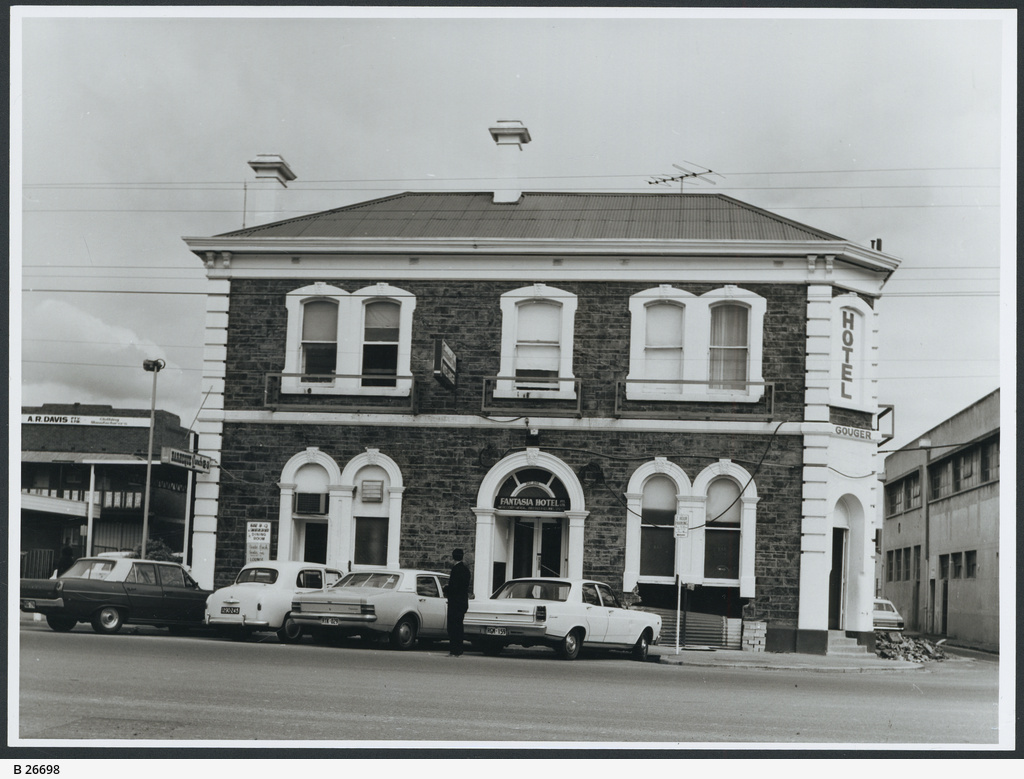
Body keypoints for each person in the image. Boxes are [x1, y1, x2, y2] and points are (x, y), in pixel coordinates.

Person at [444, 547, 471, 657]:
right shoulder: (466, 570)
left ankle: (454, 650)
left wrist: (446, 589)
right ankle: (459, 649)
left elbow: (454, 587)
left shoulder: (455, 570)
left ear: (453, 557)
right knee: (459, 626)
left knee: (452, 627)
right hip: (463, 602)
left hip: (455, 602)